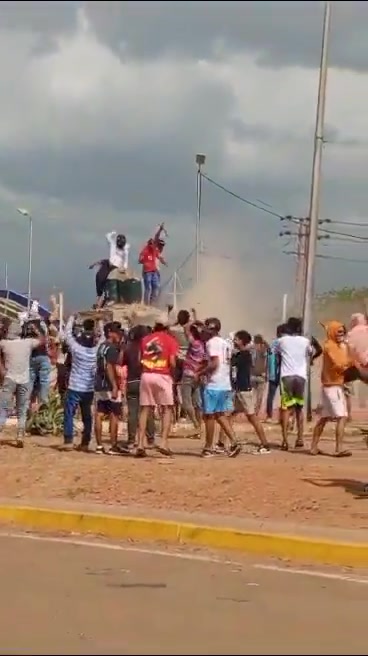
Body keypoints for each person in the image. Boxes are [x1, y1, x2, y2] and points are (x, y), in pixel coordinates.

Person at [136, 314, 178, 458]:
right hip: (163, 375)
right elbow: (172, 362)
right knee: (167, 409)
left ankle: (140, 444)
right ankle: (163, 442)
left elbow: (139, 359)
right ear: (167, 327)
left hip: (146, 374)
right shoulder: (171, 340)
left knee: (145, 409)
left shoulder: (145, 339)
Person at [198, 317, 241, 458]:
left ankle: (208, 447)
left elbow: (215, 363)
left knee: (209, 416)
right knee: (220, 414)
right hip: (224, 383)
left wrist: (200, 372)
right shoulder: (225, 343)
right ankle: (235, 442)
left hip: (214, 384)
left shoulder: (212, 343)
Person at [311, 321, 354, 457]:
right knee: (342, 417)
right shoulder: (331, 346)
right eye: (339, 332)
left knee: (324, 417)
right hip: (333, 387)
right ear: (333, 332)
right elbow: (340, 364)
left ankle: (313, 447)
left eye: (343, 332)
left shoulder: (337, 346)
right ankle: (339, 448)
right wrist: (351, 362)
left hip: (332, 386)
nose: (342, 334)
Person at [0, 320, 45, 447]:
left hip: (9, 378)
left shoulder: (4, 344)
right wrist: (36, 330)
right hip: (24, 379)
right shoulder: (27, 343)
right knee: (22, 409)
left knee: (3, 406)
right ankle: (20, 434)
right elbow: (42, 340)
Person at [61, 315, 103, 451]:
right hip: (88, 388)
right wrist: (100, 321)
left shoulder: (76, 348)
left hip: (74, 386)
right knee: (87, 415)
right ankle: (85, 442)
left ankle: (68, 440)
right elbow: (102, 338)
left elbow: (67, 334)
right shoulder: (96, 351)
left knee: (69, 413)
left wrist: (71, 318)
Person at [275, 317, 313, 450]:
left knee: (286, 408)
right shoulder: (305, 341)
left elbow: (274, 352)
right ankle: (300, 438)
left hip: (287, 377)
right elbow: (311, 353)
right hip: (300, 376)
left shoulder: (281, 341)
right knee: (299, 408)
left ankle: (285, 440)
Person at [232, 330, 271, 453]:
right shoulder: (243, 354)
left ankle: (265, 444)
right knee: (227, 416)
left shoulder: (244, 355)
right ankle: (223, 443)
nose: (234, 341)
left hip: (244, 390)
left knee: (252, 417)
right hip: (239, 390)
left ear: (242, 341)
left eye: (236, 339)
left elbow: (232, 362)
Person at [94, 322, 128, 455]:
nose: (119, 335)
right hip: (109, 385)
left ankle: (99, 446)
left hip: (99, 384)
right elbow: (109, 366)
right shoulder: (112, 348)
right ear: (110, 333)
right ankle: (113, 445)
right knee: (114, 413)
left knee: (100, 413)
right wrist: (114, 385)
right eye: (117, 332)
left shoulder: (101, 347)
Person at [123, 325, 155, 448]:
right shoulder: (150, 348)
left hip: (132, 381)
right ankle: (150, 439)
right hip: (146, 380)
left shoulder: (129, 347)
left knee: (133, 412)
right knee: (148, 411)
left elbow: (121, 361)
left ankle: (131, 440)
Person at [89, 231, 130, 308]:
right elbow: (107, 236)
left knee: (109, 281)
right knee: (99, 277)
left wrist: (124, 268)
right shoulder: (113, 245)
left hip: (116, 267)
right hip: (109, 264)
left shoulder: (125, 249)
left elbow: (126, 260)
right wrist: (112, 233)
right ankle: (98, 301)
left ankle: (108, 300)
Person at [181, 321, 206, 438]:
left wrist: (193, 321)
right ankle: (199, 428)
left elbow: (185, 328)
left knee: (187, 403)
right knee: (197, 403)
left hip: (188, 374)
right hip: (198, 375)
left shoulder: (194, 344)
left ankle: (196, 426)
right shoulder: (204, 345)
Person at [139, 223, 168, 305]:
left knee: (156, 288)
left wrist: (164, 262)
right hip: (148, 271)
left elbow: (160, 257)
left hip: (155, 271)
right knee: (148, 288)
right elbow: (141, 259)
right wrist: (160, 230)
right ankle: (147, 304)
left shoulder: (156, 251)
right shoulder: (147, 250)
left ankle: (152, 304)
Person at [265, 324, 287, 421]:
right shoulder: (284, 343)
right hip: (283, 373)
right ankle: (283, 417)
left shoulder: (273, 343)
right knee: (284, 396)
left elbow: (269, 358)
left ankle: (269, 416)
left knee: (271, 395)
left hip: (273, 373)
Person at [251, 334, 268, 416]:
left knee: (253, 396)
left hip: (254, 375)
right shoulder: (263, 349)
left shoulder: (253, 349)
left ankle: (253, 412)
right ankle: (255, 413)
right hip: (260, 376)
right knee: (259, 397)